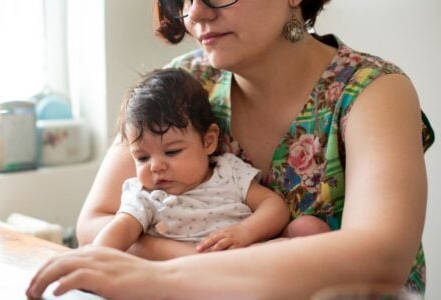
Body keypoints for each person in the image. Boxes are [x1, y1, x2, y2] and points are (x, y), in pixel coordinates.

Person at [27, 0, 435, 299]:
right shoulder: (185, 83)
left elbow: (382, 257)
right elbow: (94, 222)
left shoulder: (374, 90)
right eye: (183, 0)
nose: (195, 14)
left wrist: (166, 275)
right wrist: (195, 261)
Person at [94, 68, 324, 253]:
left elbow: (273, 206)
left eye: (172, 152)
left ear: (208, 141)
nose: (155, 166)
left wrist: (245, 231)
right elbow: (120, 230)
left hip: (248, 255)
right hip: (188, 272)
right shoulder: (144, 196)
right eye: (142, 157)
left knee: (308, 228)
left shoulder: (228, 171)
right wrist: (93, 259)